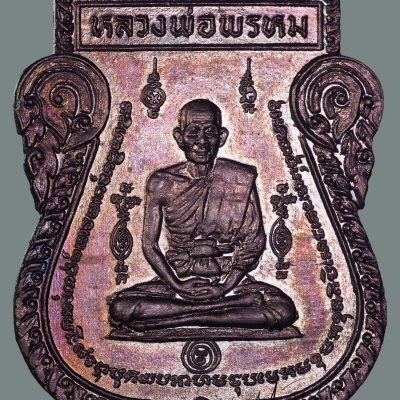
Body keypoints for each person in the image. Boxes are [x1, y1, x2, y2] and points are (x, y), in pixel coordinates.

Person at [109, 99, 297, 332]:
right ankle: (217, 311)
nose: (202, 142)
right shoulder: (161, 183)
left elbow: (253, 243)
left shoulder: (238, 178)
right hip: (178, 281)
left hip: (229, 281)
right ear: (179, 138)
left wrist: (224, 287)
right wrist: (178, 285)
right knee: (121, 308)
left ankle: (181, 317)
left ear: (222, 137)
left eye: (210, 133)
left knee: (284, 311)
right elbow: (150, 245)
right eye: (193, 133)